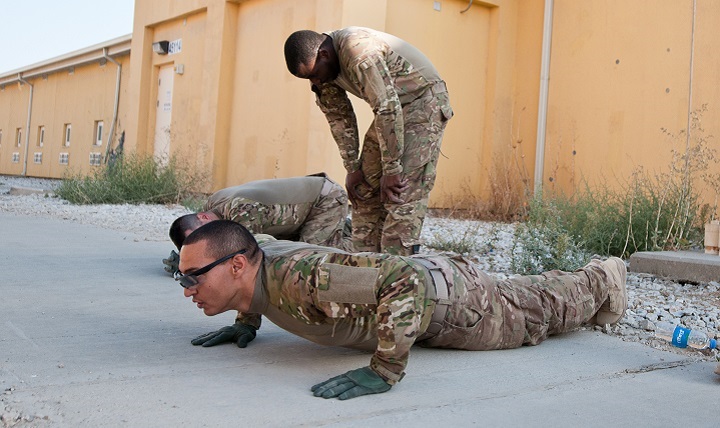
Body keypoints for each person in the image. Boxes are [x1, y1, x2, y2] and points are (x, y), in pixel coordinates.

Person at [176, 220, 629, 400]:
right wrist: (244, 317)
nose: (186, 289)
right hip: (424, 292)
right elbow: (257, 249)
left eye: (193, 277)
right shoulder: (252, 265)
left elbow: (403, 282)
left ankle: (604, 276)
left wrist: (384, 369)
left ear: (236, 266)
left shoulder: (305, 279)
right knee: (524, 292)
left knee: (542, 314)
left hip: (451, 304)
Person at [283, 27, 454, 256]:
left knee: (400, 193)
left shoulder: (358, 50)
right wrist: (352, 168)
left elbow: (386, 107)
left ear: (324, 54)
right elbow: (339, 117)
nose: (315, 80)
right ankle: (365, 268)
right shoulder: (324, 68)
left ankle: (397, 274)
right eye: (308, 78)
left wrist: (392, 168)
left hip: (423, 102)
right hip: (391, 111)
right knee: (363, 189)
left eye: (314, 74)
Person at [162, 173, 353, 273]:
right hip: (294, 216)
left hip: (324, 199)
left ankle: (366, 239)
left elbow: (252, 264)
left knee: (314, 258)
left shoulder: (242, 213)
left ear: (203, 217)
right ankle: (341, 229)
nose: (207, 239)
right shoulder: (212, 206)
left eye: (202, 234)